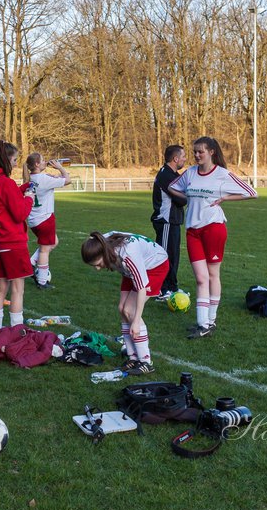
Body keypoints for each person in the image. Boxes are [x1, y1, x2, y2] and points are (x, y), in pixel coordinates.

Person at [168, 136, 257, 338]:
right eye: (195, 151)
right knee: (200, 278)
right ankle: (202, 324)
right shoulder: (190, 173)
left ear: (211, 152)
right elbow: (172, 187)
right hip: (192, 230)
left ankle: (209, 321)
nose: (197, 155)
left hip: (213, 229)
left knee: (212, 275)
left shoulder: (222, 174)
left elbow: (252, 192)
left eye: (201, 151)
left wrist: (225, 197)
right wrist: (189, 197)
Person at [80, 231, 170, 375]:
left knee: (130, 311)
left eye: (98, 264)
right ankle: (133, 358)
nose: (97, 269)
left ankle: (146, 362)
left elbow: (141, 289)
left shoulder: (128, 256)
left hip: (154, 266)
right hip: (129, 268)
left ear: (104, 253)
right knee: (122, 308)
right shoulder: (101, 243)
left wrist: (135, 321)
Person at [0, 140, 35, 335]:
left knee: (1, 288)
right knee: (18, 289)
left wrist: (23, 189)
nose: (17, 163)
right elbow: (19, 213)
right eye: (15, 159)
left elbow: (1, 201)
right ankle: (18, 330)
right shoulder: (5, 182)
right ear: (6, 159)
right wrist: (29, 199)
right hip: (12, 242)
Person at [24, 153, 69, 289]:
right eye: (42, 160)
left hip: (33, 219)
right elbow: (68, 180)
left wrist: (53, 177)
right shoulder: (43, 179)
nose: (45, 162)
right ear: (37, 164)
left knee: (53, 242)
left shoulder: (29, 178)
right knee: (44, 250)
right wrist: (60, 168)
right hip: (45, 218)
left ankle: (31, 263)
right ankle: (42, 281)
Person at [150, 144, 187, 301]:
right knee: (165, 256)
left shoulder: (173, 174)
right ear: (175, 158)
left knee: (173, 256)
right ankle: (161, 290)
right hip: (165, 221)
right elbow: (181, 199)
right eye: (184, 156)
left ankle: (172, 288)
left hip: (173, 221)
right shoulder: (166, 175)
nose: (185, 159)